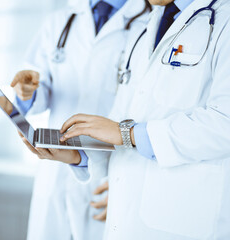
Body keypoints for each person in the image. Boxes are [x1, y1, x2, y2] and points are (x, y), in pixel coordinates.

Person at [59, 0, 230, 239]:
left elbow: (224, 124)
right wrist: (81, 157)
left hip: (186, 221)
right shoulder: (148, 26)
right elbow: (124, 118)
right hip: (126, 218)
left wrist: (129, 133)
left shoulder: (224, 20)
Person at [11, 0, 149, 239]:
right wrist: (27, 92)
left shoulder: (149, 23)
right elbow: (40, 85)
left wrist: (132, 186)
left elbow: (152, 116)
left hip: (109, 175)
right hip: (55, 171)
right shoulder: (60, 20)